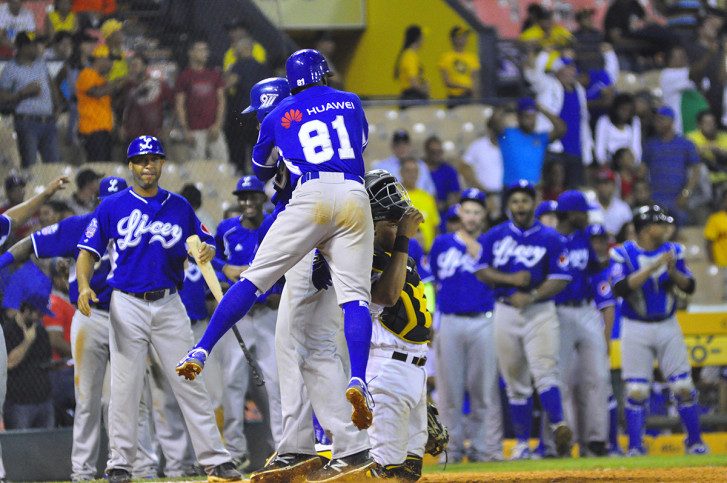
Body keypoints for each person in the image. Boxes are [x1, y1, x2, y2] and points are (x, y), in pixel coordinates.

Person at [177, 50, 377, 480]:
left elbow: (262, 170)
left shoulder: (281, 117)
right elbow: (356, 148)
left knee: (302, 343)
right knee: (302, 341)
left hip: (310, 224)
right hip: (351, 208)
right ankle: (318, 438)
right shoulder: (349, 101)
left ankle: (317, 444)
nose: (255, 116)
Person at [75, 137, 241, 483]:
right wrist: (85, 284)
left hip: (168, 303)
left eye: (153, 159)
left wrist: (208, 252)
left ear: (162, 164)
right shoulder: (112, 206)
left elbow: (204, 242)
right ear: (131, 165)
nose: (147, 165)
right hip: (127, 304)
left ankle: (215, 459)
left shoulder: (180, 206)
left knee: (189, 380)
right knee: (125, 387)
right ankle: (120, 464)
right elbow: (87, 252)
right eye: (140, 160)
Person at [240, 77, 372, 483]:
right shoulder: (297, 135)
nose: (261, 120)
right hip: (322, 243)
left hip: (321, 250)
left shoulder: (293, 135)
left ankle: (344, 444)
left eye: (262, 112)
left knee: (310, 347)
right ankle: (301, 444)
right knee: (293, 345)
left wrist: (316, 254)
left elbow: (319, 208)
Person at [476, 180, 573, 460]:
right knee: (514, 380)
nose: (520, 206)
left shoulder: (550, 237)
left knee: (545, 372)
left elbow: (562, 278)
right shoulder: (495, 236)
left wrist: (531, 295)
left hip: (539, 311)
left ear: (534, 203)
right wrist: (511, 280)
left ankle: (559, 428)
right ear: (509, 205)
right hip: (505, 309)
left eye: (525, 201)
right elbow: (481, 270)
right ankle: (521, 444)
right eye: (516, 201)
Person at [611, 205, 708, 456]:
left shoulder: (674, 251)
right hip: (635, 326)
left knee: (683, 386)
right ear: (645, 229)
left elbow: (689, 286)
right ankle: (635, 446)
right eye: (660, 224)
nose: (667, 228)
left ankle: (695, 442)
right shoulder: (623, 252)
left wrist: (673, 271)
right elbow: (620, 289)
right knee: (636, 390)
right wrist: (651, 268)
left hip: (667, 323)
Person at [363, 170, 431, 479]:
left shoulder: (404, 259)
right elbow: (386, 296)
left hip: (415, 369)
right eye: (391, 224)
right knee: (386, 471)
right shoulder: (363, 257)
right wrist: (403, 238)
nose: (399, 228)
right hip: (386, 368)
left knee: (409, 470)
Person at [212, 175, 282, 467]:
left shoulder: (274, 225)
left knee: (276, 385)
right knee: (232, 383)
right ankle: (235, 453)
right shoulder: (227, 229)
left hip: (268, 315)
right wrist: (225, 269)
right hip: (238, 318)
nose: (247, 202)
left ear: (262, 198)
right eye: (243, 197)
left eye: (252, 196)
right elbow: (209, 255)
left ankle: (280, 448)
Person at [429, 188, 503, 463]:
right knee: (449, 392)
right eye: (467, 211)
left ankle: (482, 449)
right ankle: (452, 449)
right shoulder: (442, 243)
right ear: (459, 213)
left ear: (484, 214)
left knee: (483, 391)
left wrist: (474, 245)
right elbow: (433, 283)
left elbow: (496, 278)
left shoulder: (492, 243)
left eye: (477, 211)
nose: (471, 217)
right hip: (448, 320)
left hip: (484, 320)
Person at [552, 191, 612, 457]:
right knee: (560, 379)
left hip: (586, 310)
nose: (586, 217)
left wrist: (613, 259)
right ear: (569, 213)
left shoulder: (583, 238)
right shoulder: (549, 239)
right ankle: (565, 440)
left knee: (598, 375)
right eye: (582, 212)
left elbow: (596, 269)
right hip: (557, 312)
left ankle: (596, 440)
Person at [525, 50, 593, 186]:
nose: (571, 71)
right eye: (567, 68)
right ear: (558, 71)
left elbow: (584, 119)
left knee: (575, 188)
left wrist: (588, 145)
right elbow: (531, 75)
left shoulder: (579, 90)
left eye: (572, 68)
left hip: (576, 148)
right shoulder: (548, 85)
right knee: (554, 187)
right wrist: (544, 53)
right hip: (555, 148)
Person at [0, 31, 62, 168]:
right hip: (27, 122)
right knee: (30, 164)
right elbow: (2, 97)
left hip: (48, 121)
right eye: (33, 45)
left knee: (54, 165)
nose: (37, 48)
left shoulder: (41, 63)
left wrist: (57, 107)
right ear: (22, 48)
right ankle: (30, 189)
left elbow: (52, 86)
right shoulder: (10, 69)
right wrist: (23, 92)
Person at [3, 286, 55, 429]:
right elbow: (9, 363)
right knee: (22, 447)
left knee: (47, 445)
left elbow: (47, 360)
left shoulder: (41, 331)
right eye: (38, 314)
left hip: (44, 399)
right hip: (19, 403)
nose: (40, 318)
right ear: (26, 310)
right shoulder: (7, 331)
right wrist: (27, 342)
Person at [642, 105, 701, 225]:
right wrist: (646, 194)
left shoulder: (685, 144)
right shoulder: (650, 144)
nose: (656, 123)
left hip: (678, 199)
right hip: (655, 199)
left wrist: (686, 193)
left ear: (672, 122)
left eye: (661, 119)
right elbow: (643, 169)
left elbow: (696, 170)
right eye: (656, 119)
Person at [491, 98, 566, 186]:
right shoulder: (507, 134)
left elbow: (561, 129)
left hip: (534, 187)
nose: (531, 121)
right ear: (518, 117)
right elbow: (494, 121)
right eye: (527, 117)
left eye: (533, 117)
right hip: (511, 186)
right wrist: (506, 108)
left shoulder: (540, 138)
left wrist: (542, 109)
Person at [175, 39, 228, 162]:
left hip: (214, 129)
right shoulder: (184, 76)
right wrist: (185, 130)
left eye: (206, 50)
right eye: (201, 50)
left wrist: (218, 125)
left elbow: (221, 101)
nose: (205, 53)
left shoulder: (214, 74)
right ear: (191, 53)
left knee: (222, 161)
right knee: (197, 165)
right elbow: (179, 105)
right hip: (194, 131)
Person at [225, 37, 273, 173]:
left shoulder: (239, 66)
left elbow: (228, 84)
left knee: (238, 146)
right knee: (258, 145)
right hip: (261, 114)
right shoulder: (263, 67)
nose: (234, 51)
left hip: (243, 113)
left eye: (236, 48)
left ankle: (240, 172)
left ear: (245, 48)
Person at [76, 44, 125, 161]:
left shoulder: (102, 79)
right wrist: (118, 82)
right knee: (97, 165)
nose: (112, 65)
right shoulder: (87, 73)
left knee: (105, 166)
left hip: (104, 131)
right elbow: (96, 92)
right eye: (110, 60)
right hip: (92, 130)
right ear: (100, 59)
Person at [120, 53, 174, 146]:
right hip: (132, 136)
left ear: (145, 67)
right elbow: (121, 108)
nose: (132, 68)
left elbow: (174, 105)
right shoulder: (127, 86)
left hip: (154, 135)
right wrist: (121, 127)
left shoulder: (159, 85)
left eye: (135, 65)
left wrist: (169, 127)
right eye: (131, 66)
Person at [660, 46, 710, 135]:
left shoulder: (685, 78)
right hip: (679, 129)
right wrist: (710, 53)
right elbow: (694, 71)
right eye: (681, 57)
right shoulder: (668, 74)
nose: (686, 59)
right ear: (671, 61)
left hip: (695, 129)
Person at [373, 130, 436, 196]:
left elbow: (430, 192)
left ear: (410, 146)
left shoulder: (422, 166)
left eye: (405, 144)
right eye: (398, 145)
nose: (402, 148)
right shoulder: (380, 168)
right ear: (392, 146)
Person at [399, 157, 439, 251]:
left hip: (426, 254)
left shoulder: (427, 197)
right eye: (408, 171)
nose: (412, 174)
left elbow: (435, 226)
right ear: (401, 172)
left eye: (415, 171)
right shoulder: (395, 196)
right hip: (403, 253)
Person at [460, 112, 504, 196]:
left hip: (507, 193)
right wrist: (476, 184)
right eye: (495, 128)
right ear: (489, 130)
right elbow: (463, 165)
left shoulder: (509, 146)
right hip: (485, 193)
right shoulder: (478, 146)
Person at [594, 93, 642, 166]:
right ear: (616, 109)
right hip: (609, 161)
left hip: (629, 162)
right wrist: (603, 162)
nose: (626, 113)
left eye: (629, 110)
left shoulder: (635, 121)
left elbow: (636, 146)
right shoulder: (604, 121)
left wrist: (635, 163)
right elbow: (600, 146)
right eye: (623, 109)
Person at [438, 26, 480, 106]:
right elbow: (447, 81)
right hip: (454, 98)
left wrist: (476, 96)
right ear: (453, 39)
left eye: (465, 36)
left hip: (469, 97)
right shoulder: (446, 57)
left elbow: (475, 79)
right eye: (461, 36)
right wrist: (466, 87)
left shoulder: (472, 57)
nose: (464, 39)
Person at [687, 110, 727, 192]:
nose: (711, 126)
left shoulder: (724, 136)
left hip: (723, 177)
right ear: (699, 125)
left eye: (713, 123)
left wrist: (720, 151)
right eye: (707, 123)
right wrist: (706, 148)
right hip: (701, 179)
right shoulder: (691, 138)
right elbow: (687, 155)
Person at [423, 135, 460, 215]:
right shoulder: (419, 168)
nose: (437, 155)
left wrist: (443, 205)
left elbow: (455, 195)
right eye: (433, 152)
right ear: (426, 151)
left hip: (442, 215)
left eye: (439, 151)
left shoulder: (449, 170)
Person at [593, 168, 633, 237]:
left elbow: (629, 233)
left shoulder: (623, 208)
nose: (603, 187)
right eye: (600, 183)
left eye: (606, 183)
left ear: (614, 186)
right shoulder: (590, 207)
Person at [394, 25, 428, 101]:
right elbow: (413, 81)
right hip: (412, 96)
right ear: (418, 38)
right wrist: (423, 90)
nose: (424, 40)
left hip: (413, 95)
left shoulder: (411, 55)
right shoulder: (410, 56)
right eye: (423, 37)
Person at [704, 190, 727, 300]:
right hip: (722, 263)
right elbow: (708, 242)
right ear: (723, 201)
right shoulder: (715, 219)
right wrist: (712, 261)